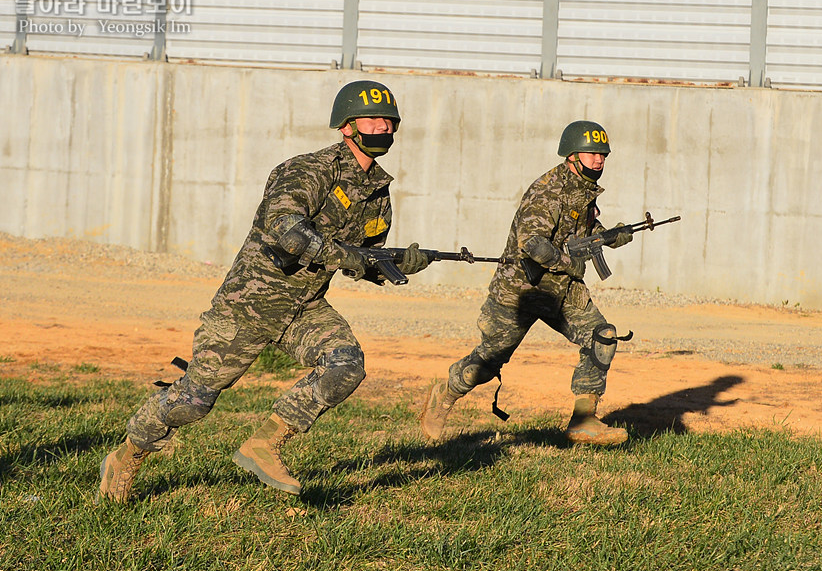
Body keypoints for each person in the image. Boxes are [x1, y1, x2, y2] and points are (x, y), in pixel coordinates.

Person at [99, 80, 430, 502]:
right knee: (193, 402)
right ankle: (128, 453)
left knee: (345, 364)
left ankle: (265, 444)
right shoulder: (310, 170)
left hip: (302, 308)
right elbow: (283, 228)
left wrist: (394, 266)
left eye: (389, 120)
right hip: (247, 308)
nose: (382, 126)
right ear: (346, 126)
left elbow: (362, 258)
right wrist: (346, 256)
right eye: (372, 118)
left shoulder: (378, 192)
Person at [419, 120, 633, 445]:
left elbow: (576, 232)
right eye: (591, 154)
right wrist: (568, 263)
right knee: (487, 362)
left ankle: (583, 420)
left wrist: (608, 236)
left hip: (561, 290)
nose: (598, 160)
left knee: (602, 336)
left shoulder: (583, 189)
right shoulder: (549, 190)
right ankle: (445, 395)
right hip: (520, 290)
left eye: (602, 154)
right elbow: (532, 243)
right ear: (572, 155)